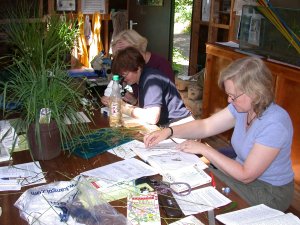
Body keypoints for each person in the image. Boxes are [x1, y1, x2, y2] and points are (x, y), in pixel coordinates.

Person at [144, 57, 294, 211]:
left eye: (233, 96)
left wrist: (205, 149)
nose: (229, 100)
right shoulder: (243, 108)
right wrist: (168, 132)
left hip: (269, 192)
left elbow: (246, 175)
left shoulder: (275, 123)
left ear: (255, 92)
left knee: (197, 188)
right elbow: (205, 126)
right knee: (192, 178)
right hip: (240, 176)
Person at [111, 46, 193, 126]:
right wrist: (132, 100)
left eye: (125, 75)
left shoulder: (151, 80)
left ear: (138, 67)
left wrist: (122, 107)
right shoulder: (142, 78)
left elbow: (152, 118)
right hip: (170, 125)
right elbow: (145, 109)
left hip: (180, 126)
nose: (123, 79)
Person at [101, 29, 174, 106]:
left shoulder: (160, 65)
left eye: (125, 53)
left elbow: (164, 102)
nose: (122, 59)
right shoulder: (127, 66)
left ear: (137, 47)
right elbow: (115, 86)